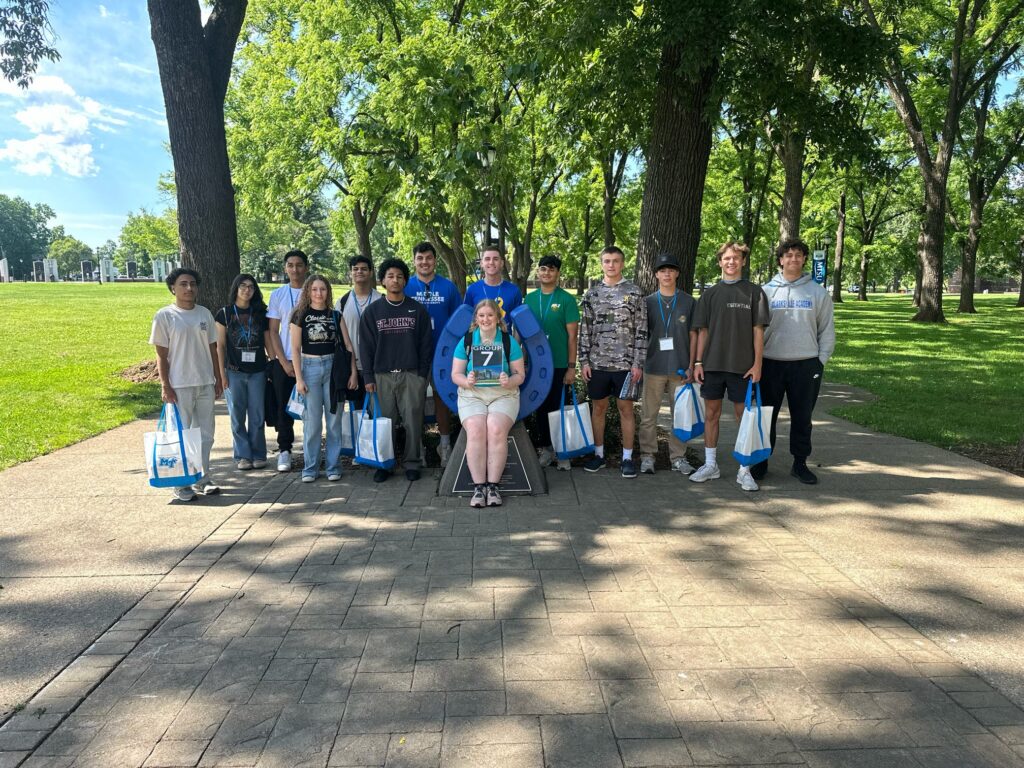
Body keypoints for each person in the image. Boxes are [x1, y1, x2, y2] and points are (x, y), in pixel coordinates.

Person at [690, 242, 771, 492]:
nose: (731, 262)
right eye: (726, 258)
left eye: (736, 258)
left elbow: (758, 332)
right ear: (720, 262)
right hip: (713, 365)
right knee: (711, 415)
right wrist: (698, 363)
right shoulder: (710, 294)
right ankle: (711, 464)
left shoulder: (754, 292)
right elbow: (702, 332)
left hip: (743, 368)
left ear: (743, 261)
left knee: (743, 418)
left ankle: (744, 470)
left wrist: (757, 364)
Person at [755, 239, 836, 485]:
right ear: (780, 260)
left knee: (802, 417)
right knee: (766, 416)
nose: (793, 259)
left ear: (804, 260)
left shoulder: (817, 292)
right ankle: (761, 461)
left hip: (805, 364)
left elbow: (827, 330)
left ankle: (800, 463)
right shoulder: (766, 291)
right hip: (770, 363)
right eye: (788, 255)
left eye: (798, 255)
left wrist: (819, 362)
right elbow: (755, 330)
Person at [149, 268, 223, 501]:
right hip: (179, 384)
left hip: (204, 382)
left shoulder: (204, 314)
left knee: (206, 434)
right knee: (180, 435)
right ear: (173, 288)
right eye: (183, 284)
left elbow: (213, 348)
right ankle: (181, 484)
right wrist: (165, 385)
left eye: (192, 284)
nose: (189, 288)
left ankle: (203, 477)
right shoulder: (165, 316)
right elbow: (161, 355)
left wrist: (218, 377)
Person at [359, 258, 433, 483]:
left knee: (413, 421)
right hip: (381, 376)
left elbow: (425, 344)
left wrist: (422, 376)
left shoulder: (417, 310)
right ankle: (385, 463)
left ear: (405, 281)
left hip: (411, 375)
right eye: (390, 276)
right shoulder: (373, 312)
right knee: (384, 422)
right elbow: (366, 347)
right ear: (382, 280)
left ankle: (412, 463)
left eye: (400, 276)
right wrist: (368, 377)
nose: (395, 280)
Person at [578, 245, 648, 478]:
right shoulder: (592, 294)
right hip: (597, 364)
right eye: (607, 261)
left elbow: (641, 329)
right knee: (598, 408)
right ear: (601, 264)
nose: (611, 265)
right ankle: (599, 454)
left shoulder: (635, 292)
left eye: (616, 261)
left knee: (625, 409)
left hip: (626, 365)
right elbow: (585, 330)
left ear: (623, 263)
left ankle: (627, 458)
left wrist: (638, 363)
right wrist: (584, 361)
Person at [451, 300, 526, 507]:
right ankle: (478, 488)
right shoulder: (466, 341)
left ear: (498, 318)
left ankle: (492, 487)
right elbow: (455, 374)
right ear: (476, 318)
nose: (485, 319)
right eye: (481, 315)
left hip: (503, 395)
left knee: (495, 428)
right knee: (475, 429)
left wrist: (509, 380)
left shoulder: (508, 341)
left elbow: (520, 375)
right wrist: (466, 381)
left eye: (490, 315)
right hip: (472, 395)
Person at [290, 275, 354, 482]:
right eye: (315, 289)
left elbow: (348, 346)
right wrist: (299, 378)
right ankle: (310, 468)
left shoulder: (336, 315)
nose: (319, 293)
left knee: (334, 421)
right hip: (309, 369)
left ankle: (333, 467)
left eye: (323, 289)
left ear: (328, 292)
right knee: (312, 423)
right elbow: (295, 348)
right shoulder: (300, 315)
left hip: (333, 369)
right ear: (308, 291)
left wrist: (353, 372)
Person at [639, 254, 698, 476]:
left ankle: (678, 457)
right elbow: (640, 336)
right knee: (648, 415)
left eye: (671, 270)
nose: (666, 274)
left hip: (680, 368)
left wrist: (692, 364)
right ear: (656, 274)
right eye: (662, 270)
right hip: (653, 366)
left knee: (680, 416)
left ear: (677, 274)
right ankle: (647, 456)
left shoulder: (688, 301)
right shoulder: (647, 302)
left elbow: (694, 335)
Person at [405, 241, 462, 467]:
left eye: (428, 258)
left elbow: (459, 319)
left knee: (443, 398)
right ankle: (416, 448)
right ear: (414, 261)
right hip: (414, 354)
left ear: (435, 260)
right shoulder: (406, 286)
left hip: (443, 354)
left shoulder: (448, 287)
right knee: (414, 402)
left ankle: (444, 445)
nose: (424, 262)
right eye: (420, 258)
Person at [524, 255, 579, 471]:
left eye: (552, 270)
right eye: (543, 269)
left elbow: (572, 337)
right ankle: (546, 449)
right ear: (538, 272)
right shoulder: (529, 299)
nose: (547, 273)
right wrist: (523, 362)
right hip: (536, 366)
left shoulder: (566, 299)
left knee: (559, 409)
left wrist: (571, 367)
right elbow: (522, 333)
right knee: (540, 408)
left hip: (558, 364)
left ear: (558, 274)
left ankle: (562, 452)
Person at [215, 274, 272, 471]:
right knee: (237, 415)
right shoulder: (224, 313)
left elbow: (267, 340)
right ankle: (242, 456)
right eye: (243, 286)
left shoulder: (260, 313)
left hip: (257, 371)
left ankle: (258, 454)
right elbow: (220, 345)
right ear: (236, 288)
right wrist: (222, 375)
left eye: (251, 287)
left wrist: (273, 363)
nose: (247, 290)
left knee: (257, 415)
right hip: (234, 371)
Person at [266, 250, 309, 472]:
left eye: (299, 265)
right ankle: (285, 450)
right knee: (283, 408)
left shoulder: (314, 292)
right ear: (285, 268)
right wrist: (282, 361)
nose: (295, 269)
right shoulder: (278, 295)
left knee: (312, 407)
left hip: (311, 361)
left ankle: (311, 452)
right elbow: (273, 331)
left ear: (306, 267)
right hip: (285, 361)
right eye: (290, 265)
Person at [334, 254, 381, 409]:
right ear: (351, 273)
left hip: (376, 366)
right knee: (356, 412)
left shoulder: (381, 300)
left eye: (364, 269)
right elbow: (338, 336)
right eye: (355, 269)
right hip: (352, 366)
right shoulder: (342, 302)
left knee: (377, 411)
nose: (359, 272)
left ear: (371, 272)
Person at [463, 244, 522, 323]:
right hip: (478, 335)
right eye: (487, 259)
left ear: (501, 263)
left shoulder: (514, 291)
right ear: (481, 263)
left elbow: (518, 324)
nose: (491, 262)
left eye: (495, 259)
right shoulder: (472, 290)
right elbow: (466, 320)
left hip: (505, 335)